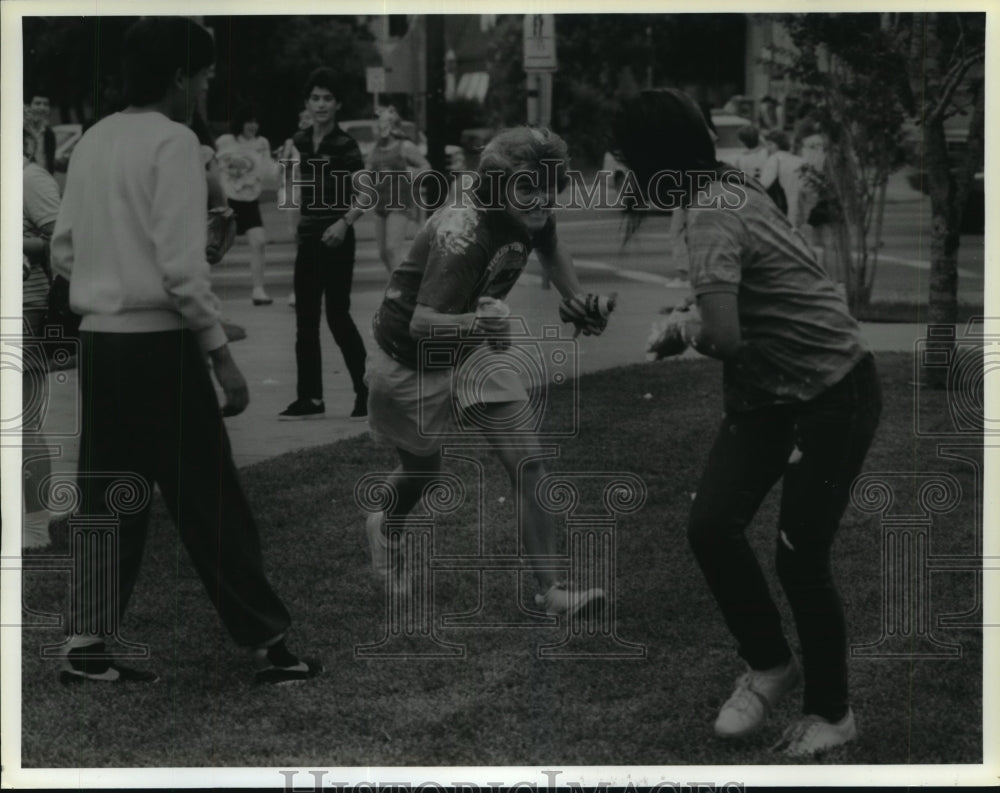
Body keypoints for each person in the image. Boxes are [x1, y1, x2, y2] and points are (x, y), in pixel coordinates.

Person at [49, 16, 321, 686]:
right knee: (209, 496)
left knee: (109, 495)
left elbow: (64, 249)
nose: (204, 86)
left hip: (101, 343)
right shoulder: (173, 142)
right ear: (178, 74)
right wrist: (219, 351)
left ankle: (88, 640)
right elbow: (178, 266)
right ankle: (268, 641)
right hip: (160, 345)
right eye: (202, 74)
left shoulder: (92, 140)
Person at [612, 89, 881, 757]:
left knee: (801, 558)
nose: (612, 168)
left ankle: (831, 713)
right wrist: (689, 319)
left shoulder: (708, 209)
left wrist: (681, 330)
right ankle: (769, 662)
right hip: (768, 393)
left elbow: (724, 335)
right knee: (710, 525)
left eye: (619, 155)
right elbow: (730, 311)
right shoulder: (712, 193)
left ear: (653, 157)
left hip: (831, 389)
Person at [365, 126, 614, 616]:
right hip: (410, 358)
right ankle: (386, 526)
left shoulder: (528, 206)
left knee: (529, 461)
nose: (542, 199)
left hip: (475, 342)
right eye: (528, 188)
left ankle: (553, 592)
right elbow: (422, 324)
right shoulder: (465, 231)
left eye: (550, 186)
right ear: (496, 186)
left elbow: (549, 243)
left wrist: (575, 300)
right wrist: (483, 325)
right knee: (423, 475)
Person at [279, 67, 369, 420]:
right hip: (309, 238)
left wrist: (343, 224)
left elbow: (366, 195)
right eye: (315, 98)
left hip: (338, 238)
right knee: (305, 320)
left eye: (328, 98)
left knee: (338, 316)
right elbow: (287, 185)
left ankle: (366, 389)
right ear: (307, 103)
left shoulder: (347, 146)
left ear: (338, 104)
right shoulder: (297, 142)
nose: (321, 104)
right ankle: (310, 398)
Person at [21, 118, 61, 549]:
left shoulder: (30, 180)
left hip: (25, 309)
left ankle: (35, 527)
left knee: (23, 419)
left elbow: (62, 241)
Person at [215, 104, 277, 305]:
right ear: (240, 122)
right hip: (227, 200)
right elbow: (213, 166)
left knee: (259, 242)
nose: (253, 125)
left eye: (256, 121)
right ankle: (199, 290)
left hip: (250, 201)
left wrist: (283, 166)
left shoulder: (262, 143)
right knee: (213, 248)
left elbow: (269, 171)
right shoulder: (225, 142)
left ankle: (258, 291)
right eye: (249, 121)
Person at [367, 105, 430, 275]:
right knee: (383, 253)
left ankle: (402, 290)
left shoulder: (405, 146)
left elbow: (426, 168)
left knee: (392, 249)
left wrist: (412, 172)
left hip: (399, 203)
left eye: (382, 124)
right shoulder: (375, 148)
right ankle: (396, 286)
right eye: (376, 124)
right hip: (380, 203)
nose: (378, 128)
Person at [760, 129, 806, 226]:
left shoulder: (774, 159)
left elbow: (764, 184)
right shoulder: (800, 161)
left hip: (781, 208)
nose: (767, 148)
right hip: (799, 208)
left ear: (775, 145)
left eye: (768, 144)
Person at [25, 91, 57, 175]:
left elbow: (49, 163)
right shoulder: (18, 131)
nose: (42, 108)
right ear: (28, 107)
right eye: (37, 103)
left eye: (46, 104)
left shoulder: (49, 134)